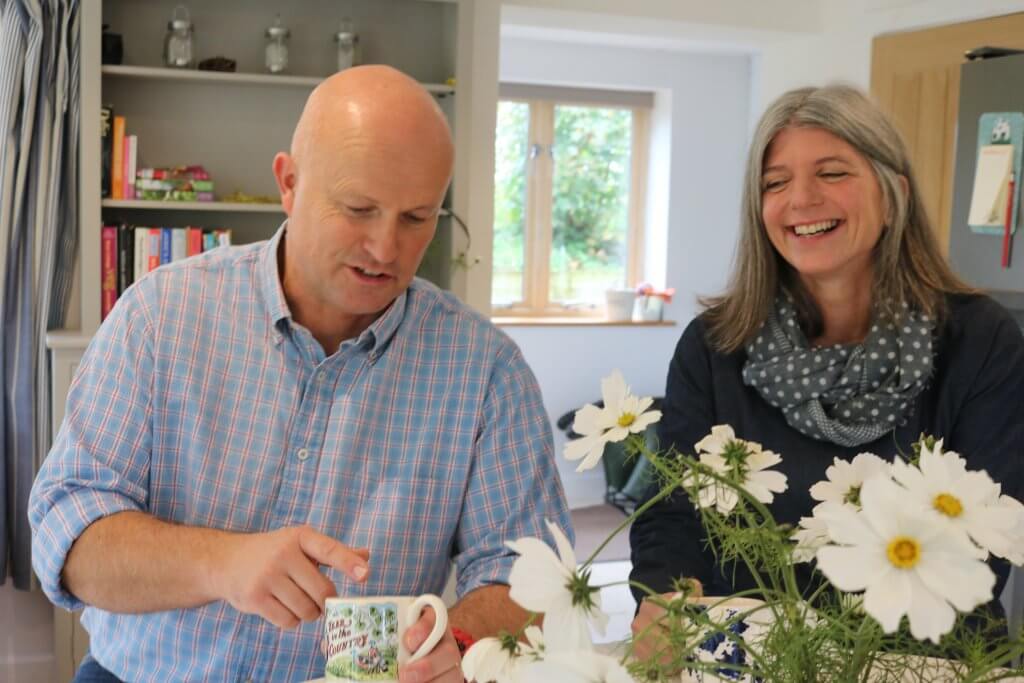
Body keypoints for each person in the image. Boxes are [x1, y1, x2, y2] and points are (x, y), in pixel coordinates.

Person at [29, 65, 572, 683]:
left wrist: (463, 641)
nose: (386, 249)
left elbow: (529, 574)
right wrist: (219, 563)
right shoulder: (161, 317)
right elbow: (68, 540)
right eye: (359, 208)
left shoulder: (486, 372)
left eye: (417, 218)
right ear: (288, 183)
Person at [629, 84, 1024, 658]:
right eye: (775, 182)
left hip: (920, 662)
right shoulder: (715, 346)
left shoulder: (980, 341)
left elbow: (989, 533)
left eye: (833, 173)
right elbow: (672, 511)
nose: (801, 199)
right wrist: (668, 599)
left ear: (893, 196)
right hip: (749, 657)